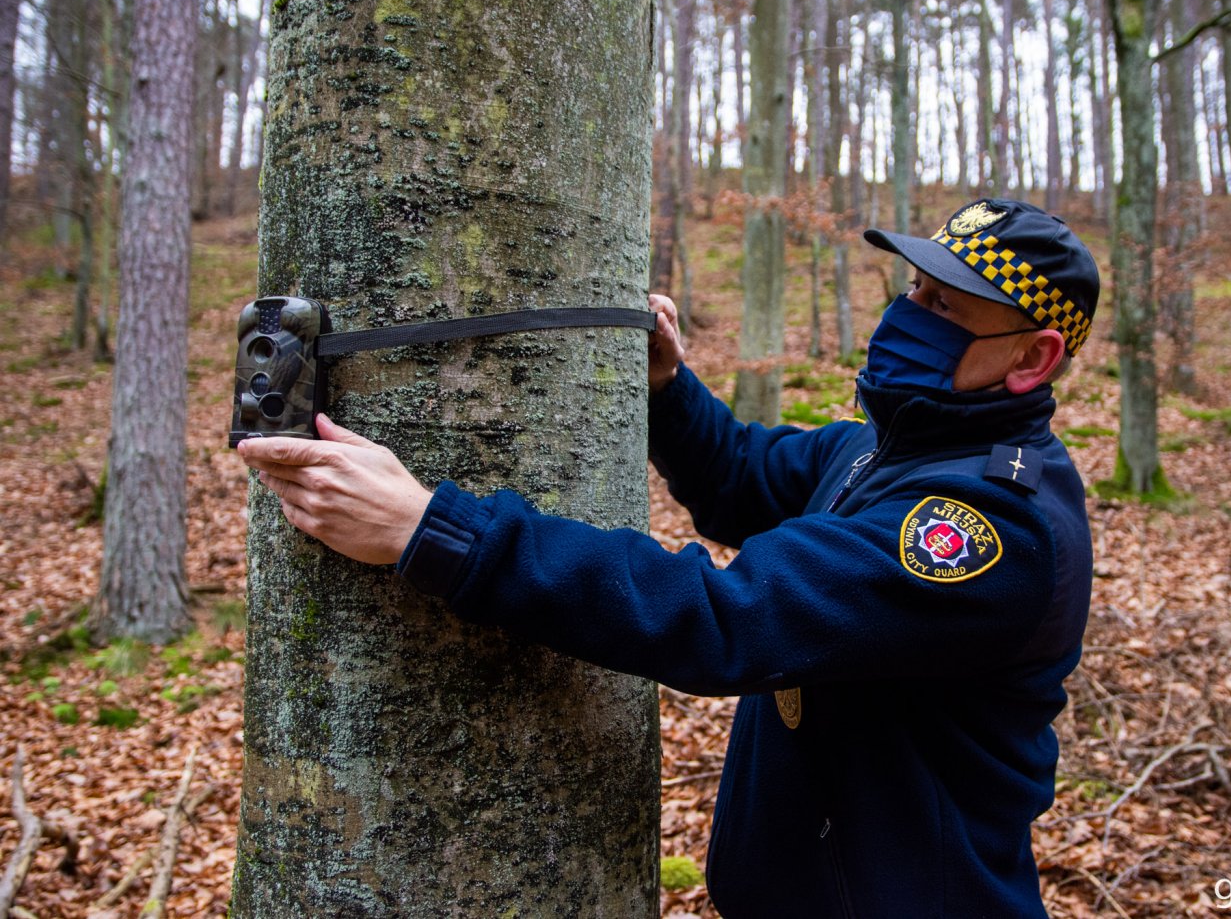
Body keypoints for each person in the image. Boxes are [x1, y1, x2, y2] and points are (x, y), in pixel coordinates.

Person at [239, 197, 1099, 918]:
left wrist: (437, 532)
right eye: (913, 287)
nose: (909, 315)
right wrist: (667, 388)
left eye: (946, 309)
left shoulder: (991, 529)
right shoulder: (891, 451)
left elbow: (729, 616)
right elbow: (742, 478)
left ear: (1033, 357)